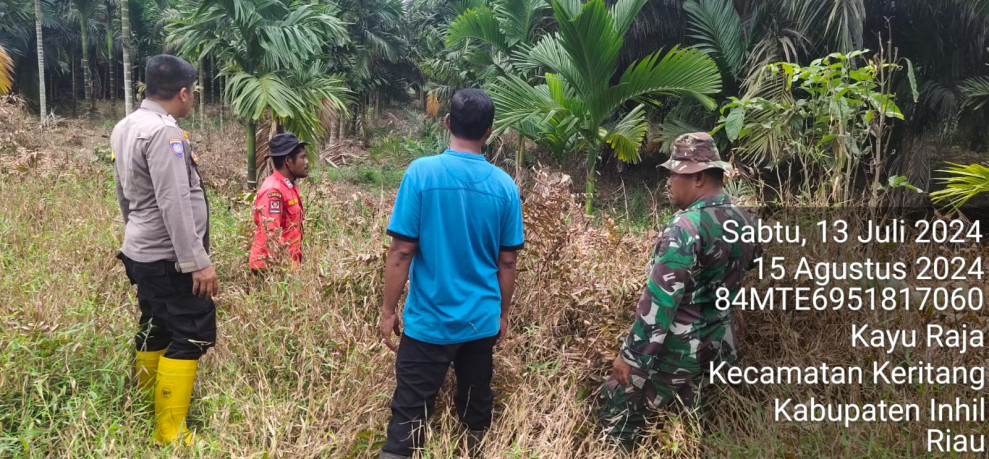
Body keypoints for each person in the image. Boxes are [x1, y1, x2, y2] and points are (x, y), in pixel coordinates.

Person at [377, 88, 524, 459]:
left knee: (408, 417)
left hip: (429, 322)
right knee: (476, 411)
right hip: (480, 322)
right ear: (489, 131)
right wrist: (503, 314)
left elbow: (401, 251)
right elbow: (507, 262)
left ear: (447, 123)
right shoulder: (505, 187)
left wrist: (388, 310)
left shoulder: (421, 174)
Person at [599, 132, 760, 447]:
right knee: (696, 429)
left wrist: (631, 357)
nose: (669, 181)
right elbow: (749, 265)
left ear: (698, 178)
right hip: (721, 347)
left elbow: (660, 303)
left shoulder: (685, 228)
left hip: (677, 352)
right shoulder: (746, 221)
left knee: (618, 415)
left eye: (675, 173)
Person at [111, 54, 217, 445]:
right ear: (183, 92)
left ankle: (146, 409)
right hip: (168, 257)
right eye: (194, 92)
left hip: (140, 250)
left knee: (155, 323)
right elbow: (174, 201)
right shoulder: (164, 133)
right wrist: (196, 262)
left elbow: (123, 194)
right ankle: (170, 430)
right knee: (192, 330)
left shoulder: (125, 126)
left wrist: (134, 233)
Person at [249, 132, 309, 271]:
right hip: (271, 267)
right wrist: (287, 267)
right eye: (302, 157)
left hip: (284, 264)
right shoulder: (273, 191)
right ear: (288, 161)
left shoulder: (289, 186)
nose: (306, 162)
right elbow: (271, 235)